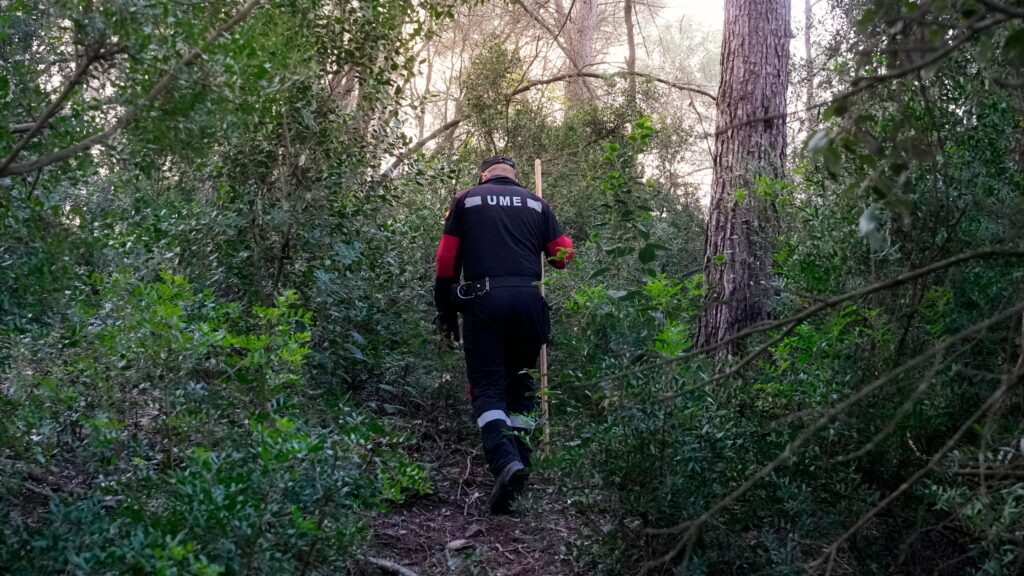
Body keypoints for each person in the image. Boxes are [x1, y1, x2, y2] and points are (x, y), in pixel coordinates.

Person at [433, 155, 574, 514]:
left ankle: (505, 462)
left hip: (484, 303)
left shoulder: (466, 199)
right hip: (529, 303)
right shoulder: (537, 203)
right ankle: (519, 468)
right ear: (514, 176)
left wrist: (445, 309)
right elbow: (562, 256)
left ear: (483, 176)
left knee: (487, 387)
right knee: (521, 387)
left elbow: (446, 261)